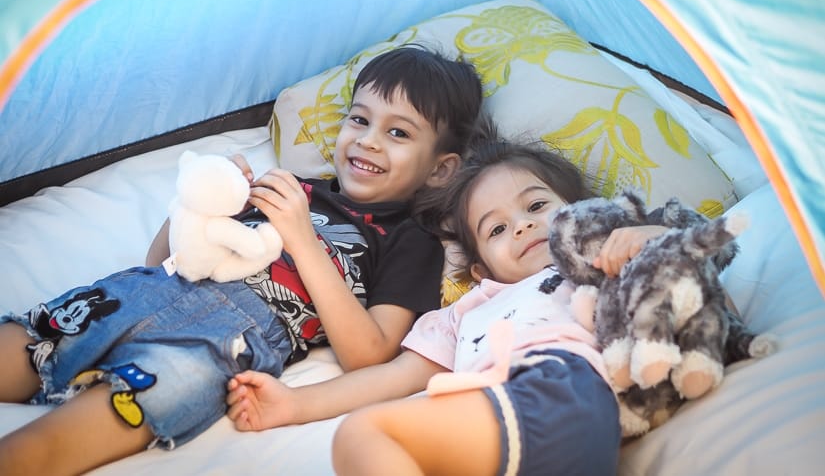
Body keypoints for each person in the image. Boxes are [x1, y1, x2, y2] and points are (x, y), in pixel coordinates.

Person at [0, 45, 484, 476]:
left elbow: (370, 353)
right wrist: (202, 204)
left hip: (215, 345)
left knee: (43, 449)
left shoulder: (411, 239)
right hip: (147, 290)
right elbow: (161, 259)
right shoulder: (296, 186)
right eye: (359, 119)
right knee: (20, 345)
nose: (368, 140)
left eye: (398, 132)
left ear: (441, 169)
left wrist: (302, 239)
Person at [225, 132, 668, 476]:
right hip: (504, 432)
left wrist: (648, 237)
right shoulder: (468, 311)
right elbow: (393, 376)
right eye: (496, 230)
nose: (522, 226)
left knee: (364, 435)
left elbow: (692, 276)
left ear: (586, 211)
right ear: (481, 271)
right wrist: (295, 404)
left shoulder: (598, 261)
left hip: (558, 391)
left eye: (536, 205)